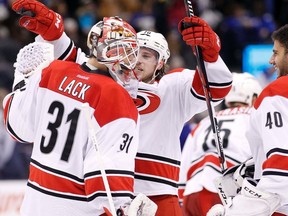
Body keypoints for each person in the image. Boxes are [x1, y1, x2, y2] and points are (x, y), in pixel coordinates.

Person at [11, 0, 233, 215]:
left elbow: (217, 87)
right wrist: (53, 31)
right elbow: (77, 60)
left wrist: (209, 54)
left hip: (157, 197)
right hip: (103, 195)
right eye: (135, 53)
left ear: (160, 64)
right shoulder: (105, 82)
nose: (137, 61)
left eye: (146, 56)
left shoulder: (172, 88)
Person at [1, 14, 156, 215]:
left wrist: (21, 84)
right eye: (125, 51)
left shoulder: (53, 71)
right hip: (75, 207)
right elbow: (105, 183)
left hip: (34, 202)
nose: (130, 61)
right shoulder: (116, 96)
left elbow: (19, 129)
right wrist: (122, 207)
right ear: (109, 50)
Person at [207, 24, 288, 216]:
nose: (271, 60)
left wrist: (237, 211)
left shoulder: (277, 91)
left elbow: (281, 167)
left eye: (276, 53)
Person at [178, 72, 262, 216]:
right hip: (225, 193)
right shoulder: (256, 118)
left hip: (191, 193)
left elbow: (183, 164)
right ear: (254, 97)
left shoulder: (204, 122)